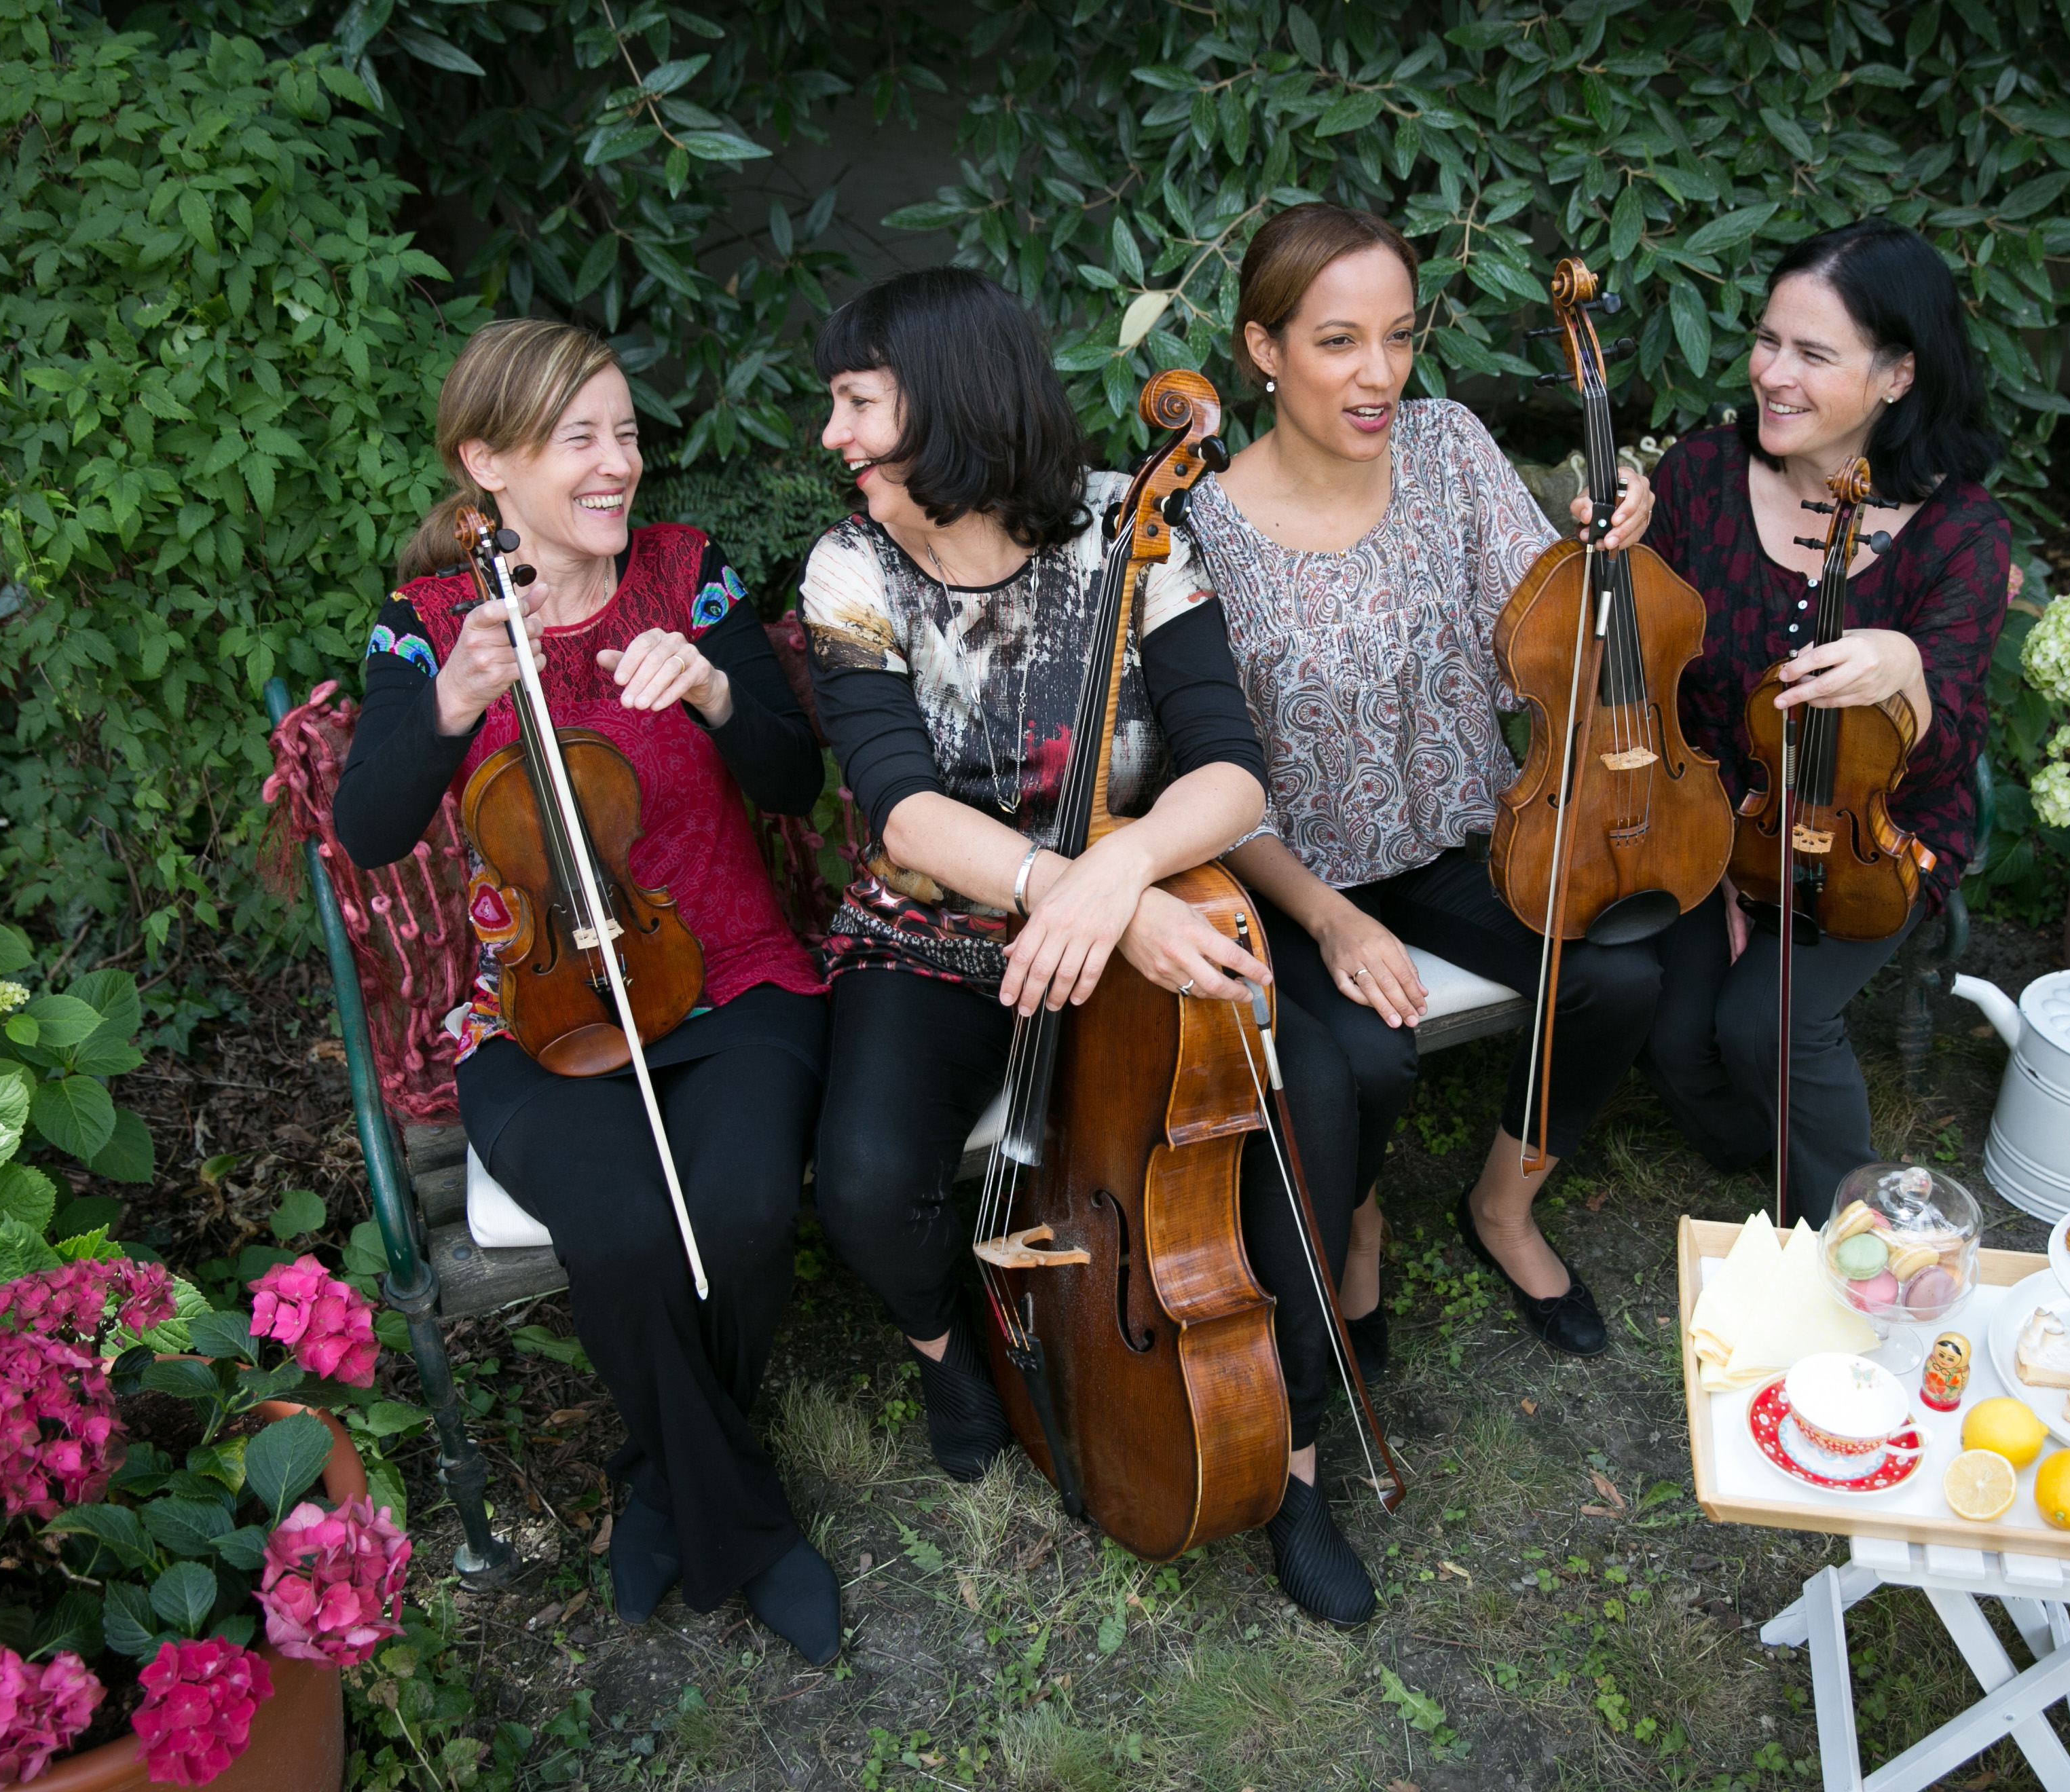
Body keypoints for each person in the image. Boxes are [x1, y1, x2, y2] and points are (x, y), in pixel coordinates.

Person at [798, 268, 1380, 1626]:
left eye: (858, 403)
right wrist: (1059, 885)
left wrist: (1116, 877)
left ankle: (1296, 1458)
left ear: (947, 401)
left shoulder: (1130, 526)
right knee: (868, 1183)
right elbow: (900, 805)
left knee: (1310, 1103)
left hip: (1132, 919)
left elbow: (1229, 768)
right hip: (939, 933)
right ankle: (950, 1353)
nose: (833, 435)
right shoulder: (853, 566)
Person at [331, 319, 842, 1660]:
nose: (620, 463)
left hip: (732, 978)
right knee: (622, 1238)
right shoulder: (425, 627)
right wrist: (449, 707)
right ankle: (752, 1529)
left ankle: (663, 1490)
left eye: (626, 432)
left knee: (740, 1216)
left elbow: (794, 782)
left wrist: (720, 690)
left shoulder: (688, 575)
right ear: (486, 463)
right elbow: (370, 828)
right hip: (540, 1007)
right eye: (580, 439)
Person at [1187, 204, 1657, 1366]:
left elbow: (1545, 649)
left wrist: (1605, 559)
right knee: (1370, 1060)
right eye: (1339, 341)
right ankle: (1359, 1225)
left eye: (1399, 337)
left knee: (1616, 975)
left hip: (1459, 830)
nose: (1380, 374)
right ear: (1263, 349)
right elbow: (1207, 777)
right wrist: (1330, 918)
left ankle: (1502, 1205)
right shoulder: (1199, 527)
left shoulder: (1446, 447)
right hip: (1291, 868)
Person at [1635, 218, 2010, 1225]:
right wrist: (1720, 859)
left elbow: (1950, 746)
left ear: (1897, 376)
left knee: (1770, 1025)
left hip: (1871, 837)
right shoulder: (1701, 478)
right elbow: (1659, 685)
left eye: (1813, 354)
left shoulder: (1960, 534)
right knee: (1678, 1032)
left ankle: (1859, 1234)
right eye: (1768, 341)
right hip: (1718, 811)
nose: (1773, 374)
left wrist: (1908, 667)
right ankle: (1745, 1142)